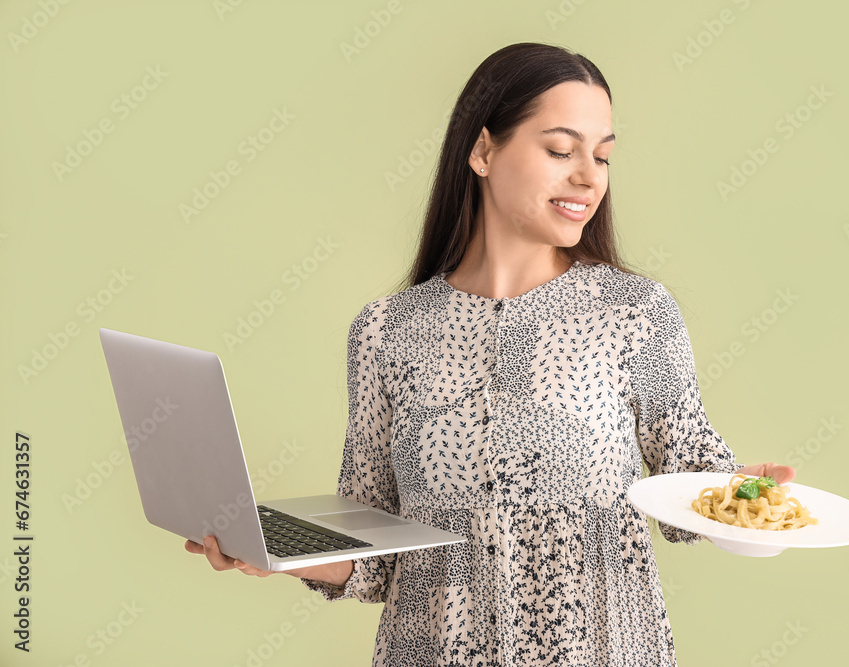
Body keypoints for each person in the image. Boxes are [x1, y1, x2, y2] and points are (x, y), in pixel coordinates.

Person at [185, 42, 795, 666]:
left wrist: (752, 500)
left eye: (602, 155)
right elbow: (373, 548)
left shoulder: (632, 312)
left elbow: (691, 485)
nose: (588, 175)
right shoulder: (385, 331)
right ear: (482, 150)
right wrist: (277, 547)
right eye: (561, 150)